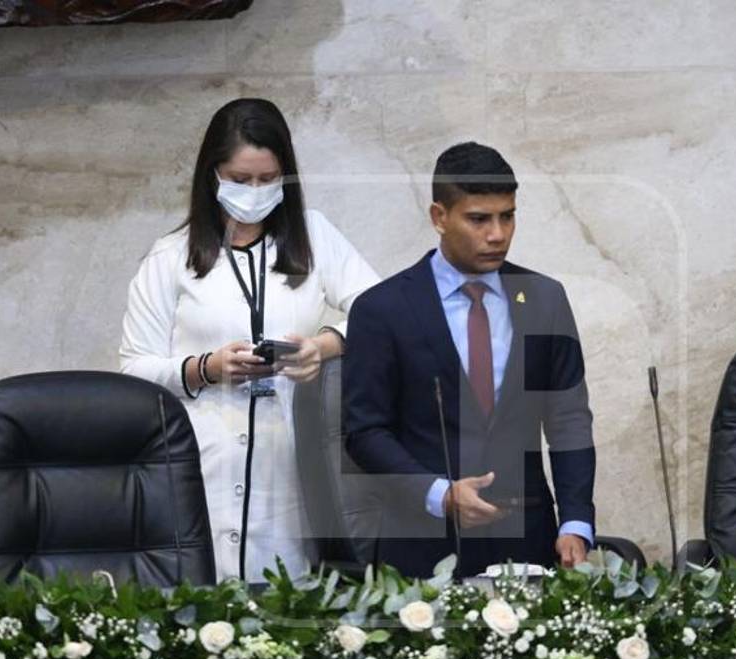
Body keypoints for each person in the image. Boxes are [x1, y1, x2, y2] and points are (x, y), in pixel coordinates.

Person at [119, 98, 380, 583]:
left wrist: (321, 347)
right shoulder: (170, 257)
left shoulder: (315, 237)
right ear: (212, 176)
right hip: (203, 456)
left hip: (291, 454)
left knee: (285, 593)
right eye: (240, 180)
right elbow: (134, 368)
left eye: (268, 179)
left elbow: (382, 313)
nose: (255, 192)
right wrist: (206, 368)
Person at [343, 142, 595, 578]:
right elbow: (365, 430)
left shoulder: (543, 299)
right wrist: (439, 494)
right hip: (420, 548)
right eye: (479, 219)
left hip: (528, 541)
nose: (497, 233)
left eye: (508, 216)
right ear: (439, 217)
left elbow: (568, 418)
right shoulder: (382, 309)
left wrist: (575, 520)